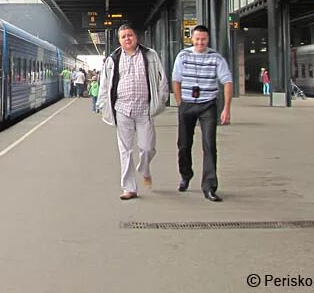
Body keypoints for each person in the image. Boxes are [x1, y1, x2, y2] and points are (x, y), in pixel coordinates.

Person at [97, 24, 169, 200]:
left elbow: (162, 79)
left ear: (136, 37)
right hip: (122, 109)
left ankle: (144, 169)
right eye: (123, 37)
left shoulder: (150, 55)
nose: (127, 39)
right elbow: (104, 85)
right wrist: (103, 105)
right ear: (119, 40)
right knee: (125, 151)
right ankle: (129, 188)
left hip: (144, 109)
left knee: (147, 148)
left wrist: (161, 100)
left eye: (130, 35)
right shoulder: (112, 60)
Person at [172, 24, 233, 202]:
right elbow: (176, 79)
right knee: (183, 145)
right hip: (187, 104)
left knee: (209, 145)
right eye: (197, 39)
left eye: (203, 39)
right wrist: (179, 103)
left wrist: (226, 108)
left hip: (208, 105)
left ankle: (209, 187)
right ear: (192, 38)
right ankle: (186, 174)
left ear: (208, 40)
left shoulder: (216, 58)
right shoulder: (183, 56)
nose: (200, 42)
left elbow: (227, 82)